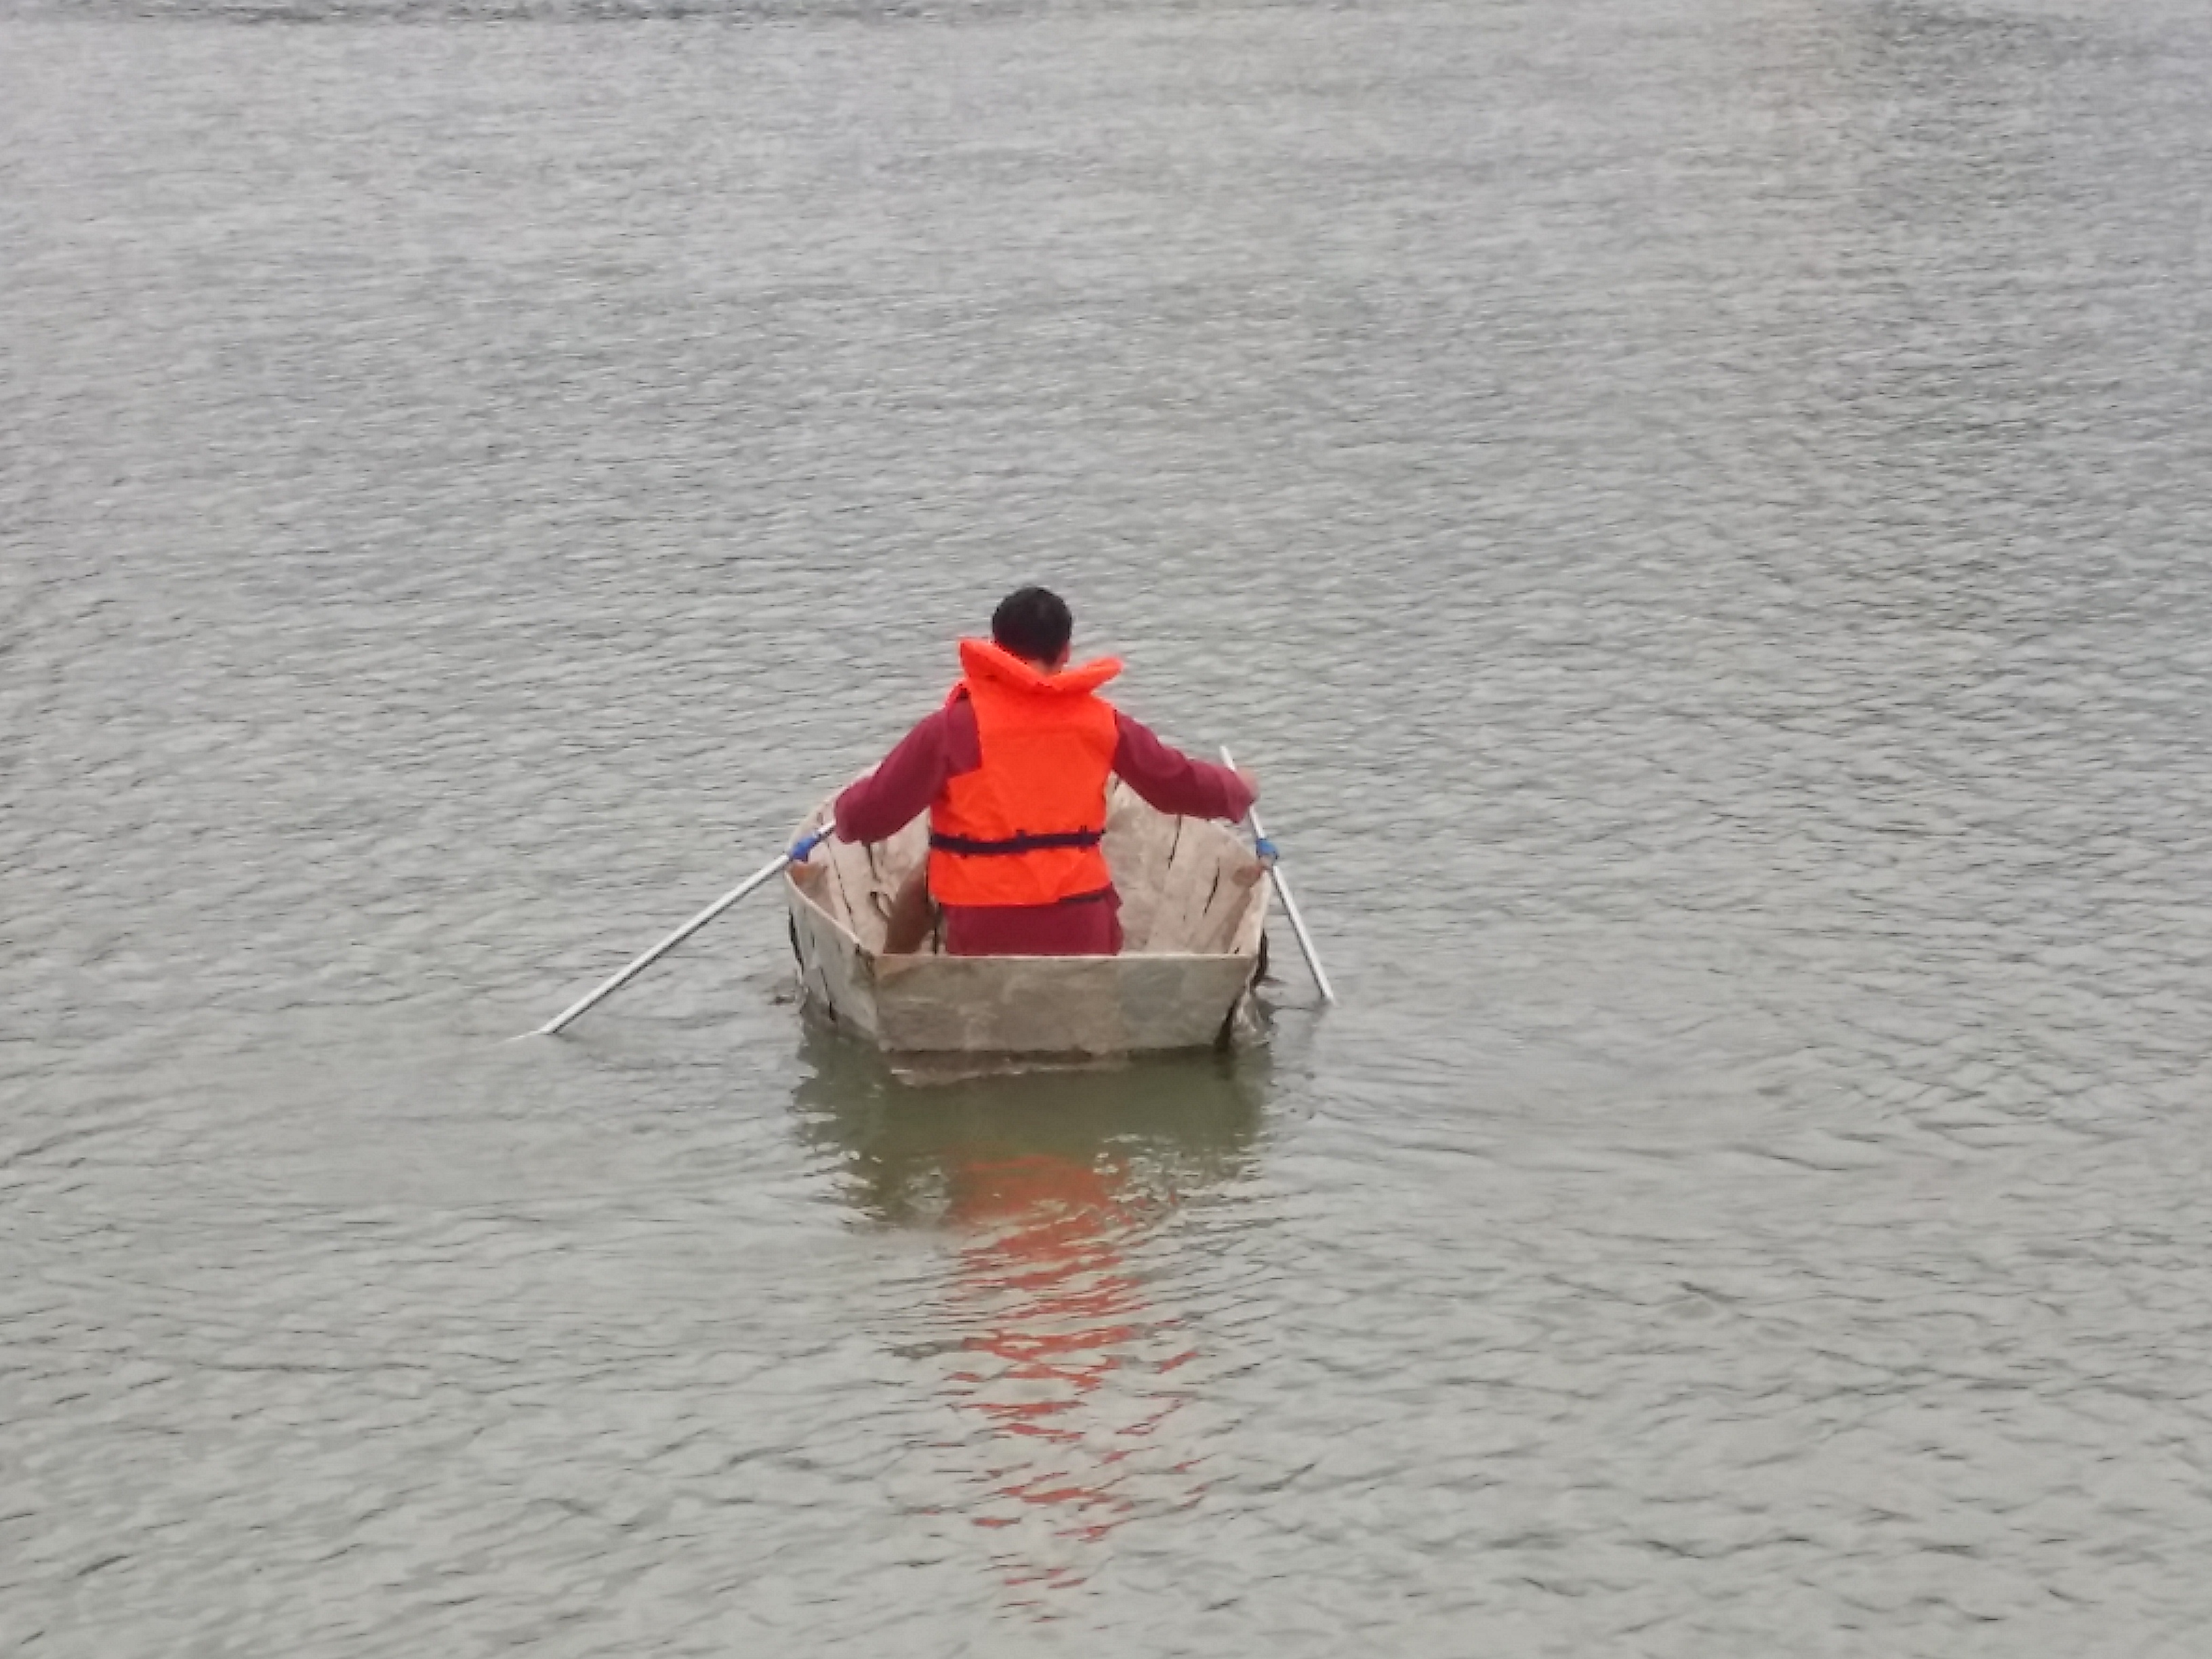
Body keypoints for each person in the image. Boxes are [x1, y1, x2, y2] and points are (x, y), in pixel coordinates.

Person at [824, 586, 1256, 957]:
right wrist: (1237, 789)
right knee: (1096, 887)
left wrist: (844, 812)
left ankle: (892, 978)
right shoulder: (1103, 722)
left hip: (982, 932)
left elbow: (869, 818)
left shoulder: (952, 730)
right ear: (1065, 651)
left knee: (923, 876)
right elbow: (1178, 786)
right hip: (1082, 929)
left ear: (996, 649)